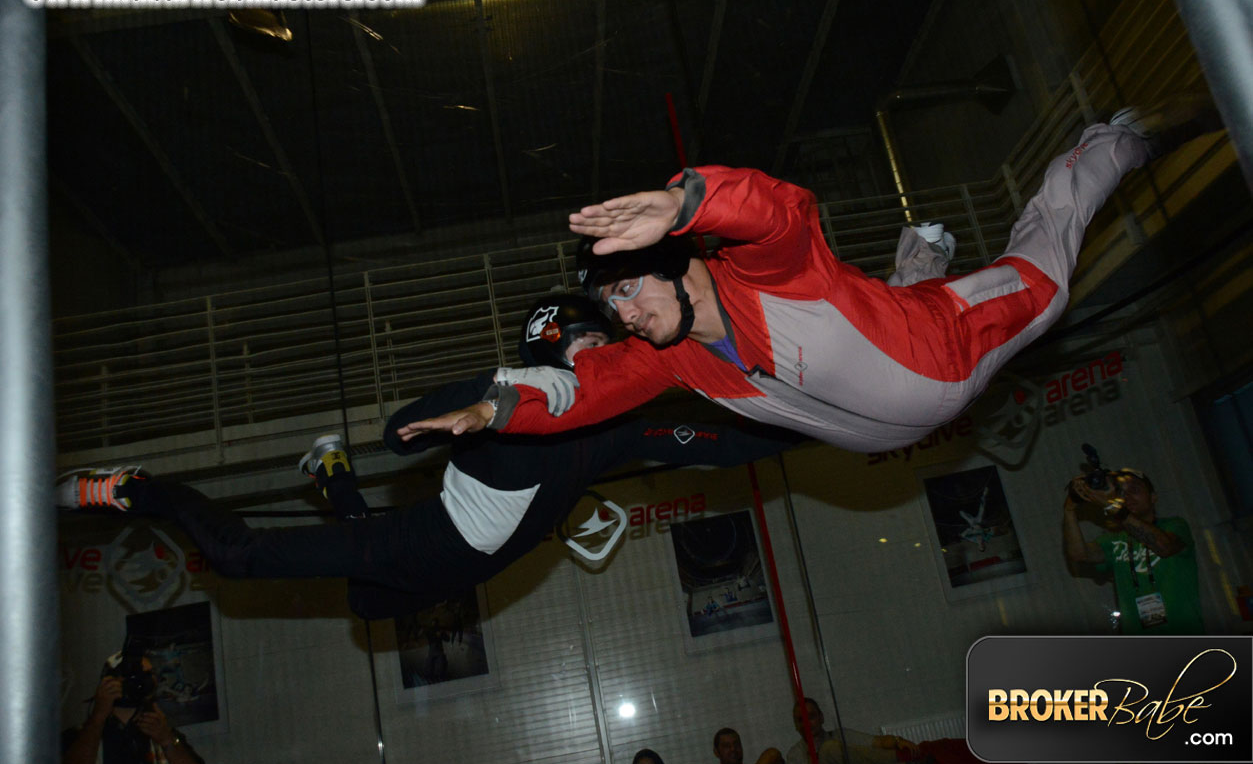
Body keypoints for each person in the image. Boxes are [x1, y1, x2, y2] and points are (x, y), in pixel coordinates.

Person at [402, 105, 1223, 454]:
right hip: (889, 423)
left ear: (680, 263)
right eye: (611, 305)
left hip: (942, 348)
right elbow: (579, 393)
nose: (625, 315)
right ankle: (916, 260)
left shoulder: (764, 273)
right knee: (873, 311)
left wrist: (688, 198)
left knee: (1044, 281)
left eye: (628, 290)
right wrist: (497, 407)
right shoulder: (668, 356)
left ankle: (1113, 142)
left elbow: (779, 212)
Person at [57, 294, 799, 620]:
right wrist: (480, 398)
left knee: (363, 602)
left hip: (469, 564)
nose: (592, 364)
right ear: (545, 361)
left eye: (600, 347)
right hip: (428, 539)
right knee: (236, 559)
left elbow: (725, 444)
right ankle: (138, 488)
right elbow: (397, 432)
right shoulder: (508, 402)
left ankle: (330, 476)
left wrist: (836, 415)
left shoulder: (617, 429)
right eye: (576, 351)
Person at [1063, 467, 1202, 635]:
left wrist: (1111, 506)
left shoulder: (1175, 526)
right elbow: (1079, 554)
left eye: (1135, 490)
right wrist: (1070, 510)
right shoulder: (1114, 539)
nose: (1127, 496)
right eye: (1122, 492)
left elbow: (1164, 547)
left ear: (1153, 498)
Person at [62, 653, 207, 764]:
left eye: (148, 675)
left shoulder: (162, 734)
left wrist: (167, 740)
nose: (143, 683)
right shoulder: (81, 736)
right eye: (136, 676)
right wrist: (98, 717)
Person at [786, 698, 926, 764]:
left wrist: (898, 741)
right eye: (800, 720)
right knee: (828, 749)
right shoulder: (795, 754)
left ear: (821, 717)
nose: (806, 724)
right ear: (796, 725)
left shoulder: (841, 735)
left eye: (811, 717)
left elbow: (878, 742)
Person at [700, 727, 784, 764]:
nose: (733, 749)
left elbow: (773, 754)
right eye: (726, 746)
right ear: (716, 752)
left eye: (736, 744)